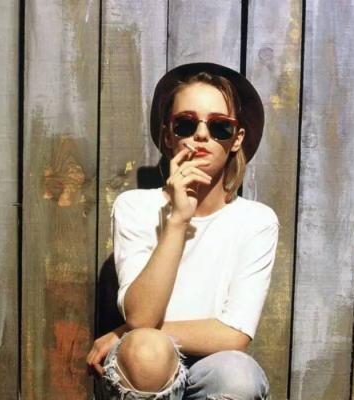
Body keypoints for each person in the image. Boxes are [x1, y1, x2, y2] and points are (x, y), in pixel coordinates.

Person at [87, 62, 280, 400]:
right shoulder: (136, 207)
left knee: (238, 375)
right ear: (168, 135)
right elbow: (142, 316)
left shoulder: (256, 221)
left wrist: (123, 332)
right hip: (144, 367)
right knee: (147, 352)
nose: (201, 135)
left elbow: (234, 336)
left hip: (213, 368)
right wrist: (178, 219)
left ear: (237, 139)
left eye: (219, 127)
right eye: (186, 124)